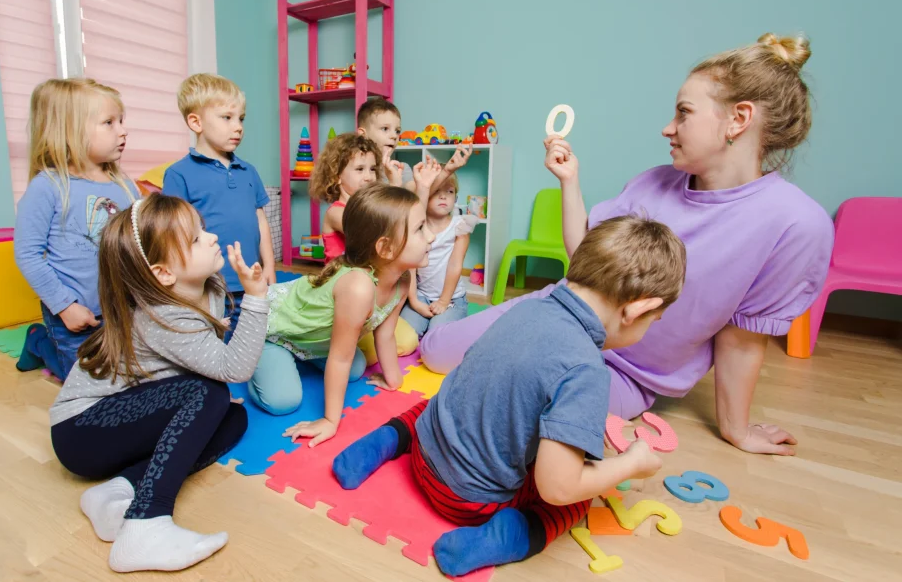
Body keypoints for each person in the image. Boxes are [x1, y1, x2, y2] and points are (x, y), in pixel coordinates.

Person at [419, 33, 835, 457]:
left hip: (628, 372)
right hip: (557, 315)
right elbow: (586, 259)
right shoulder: (653, 182)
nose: (667, 128)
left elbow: (743, 339)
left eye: (683, 113)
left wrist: (737, 429)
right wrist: (569, 181)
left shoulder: (796, 225)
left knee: (522, 416)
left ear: (738, 119)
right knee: (435, 353)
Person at [333, 215, 686, 577]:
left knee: (436, 403)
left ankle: (383, 440)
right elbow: (558, 487)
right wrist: (630, 464)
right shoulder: (588, 370)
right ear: (637, 309)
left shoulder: (527, 306)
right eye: (652, 322)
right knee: (574, 502)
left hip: (424, 448)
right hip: (466, 500)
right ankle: (491, 542)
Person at [49, 193, 269, 572]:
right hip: (80, 431)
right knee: (210, 392)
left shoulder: (207, 288)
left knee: (234, 418)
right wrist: (256, 298)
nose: (211, 236)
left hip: (116, 427)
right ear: (164, 273)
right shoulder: (163, 316)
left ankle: (121, 488)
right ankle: (147, 525)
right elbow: (234, 370)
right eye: (197, 238)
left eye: (201, 229)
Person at [250, 176, 440, 447]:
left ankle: (302, 357)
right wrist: (330, 420)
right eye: (421, 229)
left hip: (314, 341)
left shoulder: (403, 280)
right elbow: (339, 358)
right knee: (283, 401)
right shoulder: (358, 287)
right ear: (385, 248)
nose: (431, 236)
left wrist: (394, 380)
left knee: (357, 368)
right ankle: (255, 363)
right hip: (274, 331)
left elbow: (385, 334)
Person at [15, 78, 139, 381]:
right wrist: (64, 306)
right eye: (109, 122)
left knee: (129, 375)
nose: (122, 130)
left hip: (122, 310)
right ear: (70, 130)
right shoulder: (48, 186)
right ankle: (39, 341)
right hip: (72, 313)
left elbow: (139, 242)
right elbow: (28, 254)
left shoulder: (126, 185)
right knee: (87, 383)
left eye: (121, 121)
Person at [162, 73, 276, 336]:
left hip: (251, 281)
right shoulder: (179, 174)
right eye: (227, 117)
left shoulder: (248, 171)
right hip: (209, 285)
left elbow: (261, 221)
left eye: (241, 119)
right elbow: (175, 235)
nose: (238, 127)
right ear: (196, 121)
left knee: (255, 344)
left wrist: (269, 266)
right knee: (212, 350)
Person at [400, 173, 479, 336]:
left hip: (451, 299)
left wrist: (443, 301)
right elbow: (410, 267)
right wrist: (414, 301)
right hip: (421, 295)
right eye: (437, 191)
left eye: (449, 191)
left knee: (437, 335)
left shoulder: (460, 226)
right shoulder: (416, 227)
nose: (443, 196)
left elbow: (455, 265)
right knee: (404, 334)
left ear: (456, 197)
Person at [356, 98, 472, 198]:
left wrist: (447, 171)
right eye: (385, 129)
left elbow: (417, 197)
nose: (393, 136)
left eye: (397, 131)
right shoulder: (356, 169)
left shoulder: (401, 169)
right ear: (363, 134)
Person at [308, 133, 382, 264]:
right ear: (337, 177)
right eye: (360, 169)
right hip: (339, 280)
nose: (369, 177)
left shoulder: (367, 209)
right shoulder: (335, 212)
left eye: (372, 169)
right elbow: (369, 233)